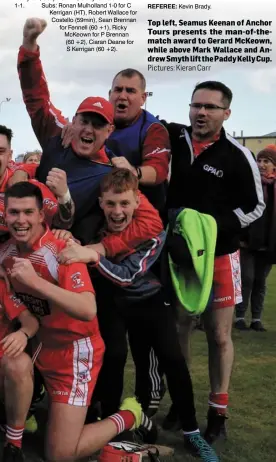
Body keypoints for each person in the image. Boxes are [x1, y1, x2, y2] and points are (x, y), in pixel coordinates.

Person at [18, 17, 168, 413]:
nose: (89, 129)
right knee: (26, 335)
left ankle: (100, 412)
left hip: (77, 270)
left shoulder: (109, 174)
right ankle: (31, 406)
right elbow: (36, 96)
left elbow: (151, 222)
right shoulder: (55, 137)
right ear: (73, 123)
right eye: (84, 120)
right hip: (30, 258)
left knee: (100, 343)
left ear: (107, 134)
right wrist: (30, 46)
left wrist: (98, 248)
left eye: (98, 125)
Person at [58, 168, 219, 462]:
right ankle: (111, 425)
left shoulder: (153, 230)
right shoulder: (93, 227)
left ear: (136, 202)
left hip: (149, 299)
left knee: (172, 357)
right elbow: (68, 234)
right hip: (112, 301)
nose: (117, 211)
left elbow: (128, 275)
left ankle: (192, 431)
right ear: (100, 202)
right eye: (110, 204)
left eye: (124, 204)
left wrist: (93, 255)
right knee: (114, 354)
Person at [0, 181, 149, 462]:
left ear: (41, 215)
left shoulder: (63, 251)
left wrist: (35, 282)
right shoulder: (6, 252)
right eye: (14, 212)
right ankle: (19, 425)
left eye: (28, 212)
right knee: (12, 360)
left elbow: (87, 308)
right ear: (5, 215)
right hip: (41, 344)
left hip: (74, 352)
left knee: (59, 455)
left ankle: (129, 415)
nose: (20, 220)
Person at [162, 81, 265, 443]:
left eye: (210, 107)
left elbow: (256, 206)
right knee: (179, 332)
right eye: (196, 105)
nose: (201, 112)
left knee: (220, 336)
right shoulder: (173, 139)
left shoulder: (237, 154)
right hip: (177, 258)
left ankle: (217, 414)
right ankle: (181, 403)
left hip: (220, 256)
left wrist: (210, 229)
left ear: (226, 113)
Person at [235, 145, 276, 332]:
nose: (261, 164)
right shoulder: (251, 184)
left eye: (266, 161)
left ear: (274, 166)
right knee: (247, 278)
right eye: (259, 161)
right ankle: (240, 316)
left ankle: (257, 319)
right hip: (247, 242)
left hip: (269, 243)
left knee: (261, 281)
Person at [0, 279, 39, 462]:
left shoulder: (1, 286)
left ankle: (13, 444)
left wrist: (23, 334)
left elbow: (30, 322)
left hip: (2, 368)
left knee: (19, 364)